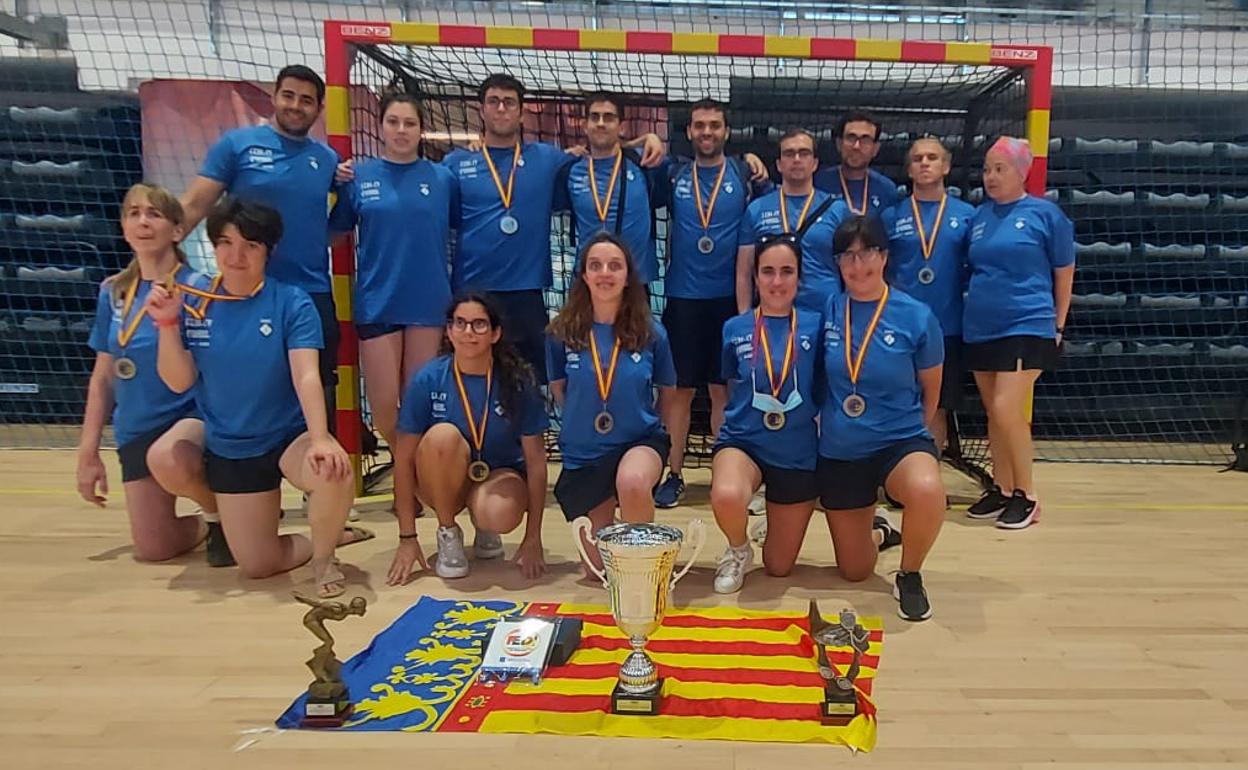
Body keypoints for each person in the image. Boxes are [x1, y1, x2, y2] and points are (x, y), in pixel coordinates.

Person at [145, 198, 370, 598]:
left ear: (269, 251)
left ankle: (324, 557)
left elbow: (306, 375)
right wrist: (164, 324)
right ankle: (327, 533)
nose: (237, 255)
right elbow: (179, 382)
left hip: (286, 435)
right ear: (213, 247)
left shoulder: (291, 301)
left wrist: (320, 438)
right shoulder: (193, 300)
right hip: (230, 442)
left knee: (333, 469)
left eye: (250, 245)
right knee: (258, 566)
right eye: (226, 243)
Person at [440, 74, 662, 379]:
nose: (501, 109)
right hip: (472, 290)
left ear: (521, 112)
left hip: (527, 293)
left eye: (509, 102)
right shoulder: (454, 165)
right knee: (468, 375)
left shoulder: (548, 160)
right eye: (494, 102)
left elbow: (604, 149)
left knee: (534, 381)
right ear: (482, 109)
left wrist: (646, 139)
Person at [180, 65, 342, 432]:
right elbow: (193, 206)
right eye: (289, 96)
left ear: (318, 108)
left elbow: (326, 225)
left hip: (310, 292)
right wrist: (156, 261)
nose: (296, 106)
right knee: (243, 387)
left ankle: (318, 480)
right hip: (246, 294)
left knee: (318, 392)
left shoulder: (327, 159)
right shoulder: (237, 146)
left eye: (306, 100)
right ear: (274, 97)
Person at [77, 183, 225, 565]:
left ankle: (226, 512)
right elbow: (103, 378)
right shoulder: (113, 292)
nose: (143, 221)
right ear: (124, 227)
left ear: (177, 230)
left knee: (168, 457)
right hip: (136, 427)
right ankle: (211, 522)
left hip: (191, 418)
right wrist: (88, 452)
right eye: (134, 213)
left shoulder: (200, 289)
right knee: (153, 549)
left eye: (154, 214)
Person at [817, 216, 946, 622]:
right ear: (838, 263)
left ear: (884, 256)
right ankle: (880, 531)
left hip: (899, 441)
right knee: (854, 571)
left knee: (927, 489)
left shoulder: (916, 315)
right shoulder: (829, 310)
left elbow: (932, 390)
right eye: (848, 256)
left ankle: (909, 573)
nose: (858, 265)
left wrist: (912, 434)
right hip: (842, 449)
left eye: (867, 252)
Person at [653, 98, 773, 509]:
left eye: (715, 125)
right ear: (689, 132)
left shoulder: (744, 173)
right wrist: (646, 136)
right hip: (683, 299)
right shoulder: (673, 174)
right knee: (678, 393)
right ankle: (673, 474)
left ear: (725, 131)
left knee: (726, 393)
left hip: (729, 300)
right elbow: (626, 156)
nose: (707, 132)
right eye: (700, 125)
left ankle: (728, 472)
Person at [328, 92, 459, 454]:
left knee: (418, 404)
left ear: (421, 130)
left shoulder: (443, 179)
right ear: (381, 126)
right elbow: (334, 232)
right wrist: (326, 182)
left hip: (427, 305)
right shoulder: (357, 177)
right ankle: (411, 477)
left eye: (410, 123)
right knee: (385, 407)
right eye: (393, 122)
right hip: (378, 303)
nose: (401, 130)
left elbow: (461, 231)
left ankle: (414, 482)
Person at [389, 292, 549, 584]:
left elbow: (537, 463)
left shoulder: (517, 380)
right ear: (449, 331)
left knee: (499, 513)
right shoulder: (428, 379)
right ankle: (448, 531)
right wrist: (407, 537)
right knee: (442, 437)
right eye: (460, 323)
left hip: (498, 475)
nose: (468, 332)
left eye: (479, 324)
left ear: (495, 333)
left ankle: (484, 525)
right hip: (440, 478)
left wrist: (533, 537)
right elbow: (402, 458)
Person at [547, 232, 677, 576]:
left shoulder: (651, 331)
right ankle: (623, 527)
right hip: (585, 453)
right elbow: (560, 389)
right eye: (596, 265)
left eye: (615, 266)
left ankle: (649, 568)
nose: (605, 273)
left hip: (638, 442)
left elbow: (667, 392)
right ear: (584, 275)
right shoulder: (560, 333)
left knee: (633, 481)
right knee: (597, 572)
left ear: (627, 276)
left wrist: (653, 428)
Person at [963, 136, 1075, 529]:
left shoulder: (1045, 215)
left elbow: (1064, 271)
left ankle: (1027, 495)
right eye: (987, 169)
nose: (991, 177)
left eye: (1000, 169)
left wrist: (1058, 323)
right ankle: (1002, 486)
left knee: (1008, 408)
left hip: (1026, 323)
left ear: (1021, 172)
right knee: (994, 411)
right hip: (980, 326)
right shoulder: (979, 218)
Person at [709, 234, 822, 594]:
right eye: (768, 271)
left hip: (797, 451)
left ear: (799, 278)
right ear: (755, 278)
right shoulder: (734, 328)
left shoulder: (817, 326)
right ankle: (739, 548)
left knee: (779, 567)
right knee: (727, 494)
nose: (777, 281)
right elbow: (728, 386)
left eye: (786, 272)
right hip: (745, 442)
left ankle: (877, 529)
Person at [881, 137, 975, 450]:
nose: (924, 163)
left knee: (937, 405)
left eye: (932, 157)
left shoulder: (967, 216)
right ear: (908, 169)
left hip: (947, 326)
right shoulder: (892, 216)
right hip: (901, 326)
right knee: (896, 401)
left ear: (945, 166)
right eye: (918, 158)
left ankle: (928, 475)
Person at [560, 92, 671, 286]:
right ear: (585, 126)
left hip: (634, 281)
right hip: (588, 281)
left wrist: (649, 137)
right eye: (594, 117)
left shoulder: (646, 162)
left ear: (621, 126)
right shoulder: (570, 169)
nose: (601, 123)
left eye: (609, 117)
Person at [738, 128, 849, 314]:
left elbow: (851, 269)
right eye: (789, 154)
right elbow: (744, 272)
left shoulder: (837, 209)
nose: (796, 159)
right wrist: (745, 318)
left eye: (804, 153)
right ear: (779, 164)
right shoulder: (756, 209)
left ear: (814, 163)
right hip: (773, 315)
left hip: (826, 314)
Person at [814, 110, 899, 219]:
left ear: (875, 149)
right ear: (839, 144)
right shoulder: (818, 183)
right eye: (851, 138)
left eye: (865, 139)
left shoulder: (887, 190)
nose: (857, 146)